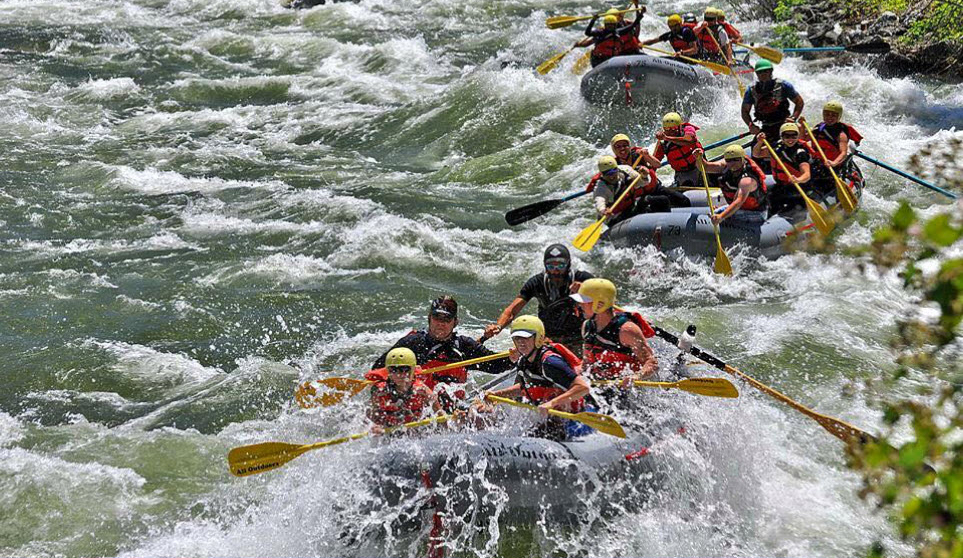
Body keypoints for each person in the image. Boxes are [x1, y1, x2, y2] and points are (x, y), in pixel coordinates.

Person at [370, 296, 512, 406]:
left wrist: (520, 354)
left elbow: (498, 365)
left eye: (446, 319)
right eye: (437, 317)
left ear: (455, 322)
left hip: (453, 410)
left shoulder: (464, 346)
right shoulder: (413, 343)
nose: (440, 323)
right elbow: (378, 370)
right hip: (418, 409)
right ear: (429, 318)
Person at [484, 316, 590, 440]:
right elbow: (527, 387)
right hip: (552, 419)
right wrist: (498, 394)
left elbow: (582, 387)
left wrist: (551, 403)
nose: (521, 342)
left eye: (526, 337)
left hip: (574, 420)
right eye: (517, 338)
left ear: (538, 338)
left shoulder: (550, 362)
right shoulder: (524, 360)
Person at [486, 244, 594, 353]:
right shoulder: (536, 282)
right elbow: (511, 311)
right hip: (549, 340)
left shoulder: (584, 279)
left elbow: (605, 304)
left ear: (568, 264)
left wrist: (586, 291)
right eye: (551, 266)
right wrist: (498, 327)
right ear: (545, 266)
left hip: (580, 339)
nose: (556, 271)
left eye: (560, 266)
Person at [570, 278, 658, 383]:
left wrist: (636, 377)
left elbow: (652, 363)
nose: (580, 305)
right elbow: (587, 364)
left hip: (630, 389)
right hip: (603, 384)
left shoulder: (626, 330)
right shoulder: (587, 327)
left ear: (599, 304)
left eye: (584, 301)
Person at [367, 347, 439, 435]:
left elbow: (440, 414)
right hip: (391, 432)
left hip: (418, 432)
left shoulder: (422, 391)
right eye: (394, 370)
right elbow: (370, 415)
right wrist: (375, 426)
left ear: (412, 370)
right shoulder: (380, 392)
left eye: (404, 369)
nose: (399, 375)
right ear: (388, 371)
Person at [751, 122, 816, 215]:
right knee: (771, 197)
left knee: (792, 203)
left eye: (794, 136)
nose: (790, 139)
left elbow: (807, 175)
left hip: (799, 186)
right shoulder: (776, 147)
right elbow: (756, 154)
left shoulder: (800, 153)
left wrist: (798, 179)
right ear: (781, 136)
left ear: (798, 136)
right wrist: (759, 142)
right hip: (782, 185)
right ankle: (770, 218)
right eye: (787, 136)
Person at [742, 59, 805, 153]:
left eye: (765, 71)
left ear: (771, 71)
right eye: (759, 72)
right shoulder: (751, 90)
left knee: (787, 147)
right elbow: (744, 111)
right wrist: (751, 125)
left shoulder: (784, 85)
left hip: (784, 124)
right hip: (766, 127)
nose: (762, 74)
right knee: (755, 150)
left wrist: (793, 117)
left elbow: (799, 102)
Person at [803, 100, 863, 198]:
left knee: (823, 185)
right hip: (817, 163)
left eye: (833, 115)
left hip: (833, 167)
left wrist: (834, 163)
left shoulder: (841, 134)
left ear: (838, 117)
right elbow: (804, 139)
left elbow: (843, 153)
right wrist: (801, 127)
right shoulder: (819, 127)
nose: (829, 118)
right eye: (827, 114)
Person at [697, 144, 769, 224]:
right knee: (711, 215)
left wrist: (721, 217)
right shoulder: (726, 166)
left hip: (756, 213)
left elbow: (738, 201)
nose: (732, 163)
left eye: (735, 160)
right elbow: (705, 167)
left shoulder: (747, 180)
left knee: (723, 220)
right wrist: (699, 158)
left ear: (742, 159)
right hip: (740, 208)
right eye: (729, 160)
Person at [591, 155, 666, 223]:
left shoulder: (626, 170)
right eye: (607, 174)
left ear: (616, 168)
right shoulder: (600, 187)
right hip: (616, 217)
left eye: (613, 171)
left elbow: (643, 183)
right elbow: (599, 201)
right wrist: (603, 211)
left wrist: (644, 176)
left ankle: (666, 223)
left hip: (631, 206)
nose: (611, 176)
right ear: (602, 174)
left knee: (662, 200)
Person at [640, 112, 704, 190]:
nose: (671, 131)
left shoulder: (688, 129)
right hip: (682, 174)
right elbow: (655, 163)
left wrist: (667, 138)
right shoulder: (663, 143)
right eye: (667, 129)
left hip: (700, 167)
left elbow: (689, 140)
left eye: (674, 128)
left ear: (680, 127)